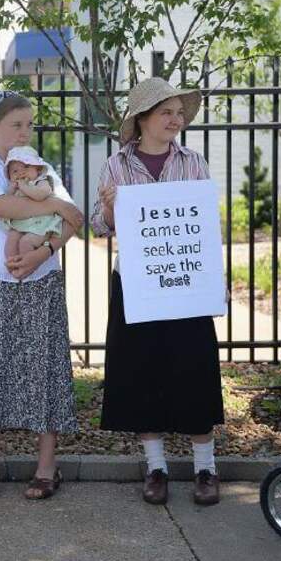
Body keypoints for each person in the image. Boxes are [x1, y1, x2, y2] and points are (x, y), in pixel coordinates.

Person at [90, 77, 224, 506]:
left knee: (194, 369)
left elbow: (204, 224)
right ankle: (156, 467)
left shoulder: (194, 161)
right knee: (141, 373)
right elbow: (98, 225)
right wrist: (110, 210)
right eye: (166, 112)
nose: (175, 119)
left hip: (185, 282)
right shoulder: (115, 166)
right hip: (136, 283)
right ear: (142, 119)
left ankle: (206, 468)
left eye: (179, 113)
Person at [0, 90, 83, 501]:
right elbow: (0, 207)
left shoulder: (41, 163)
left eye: (28, 124)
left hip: (42, 280)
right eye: (16, 124)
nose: (24, 131)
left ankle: (47, 466)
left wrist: (43, 253)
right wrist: (52, 203)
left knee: (45, 371)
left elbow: (75, 221)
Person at [2, 146, 63, 259]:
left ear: (38, 169)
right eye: (15, 171)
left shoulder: (41, 181)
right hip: (22, 223)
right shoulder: (16, 187)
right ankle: (13, 263)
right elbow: (6, 202)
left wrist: (24, 187)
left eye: (26, 166)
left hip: (41, 224)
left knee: (26, 242)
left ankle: (27, 265)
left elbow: (41, 195)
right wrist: (11, 190)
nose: (20, 173)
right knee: (11, 238)